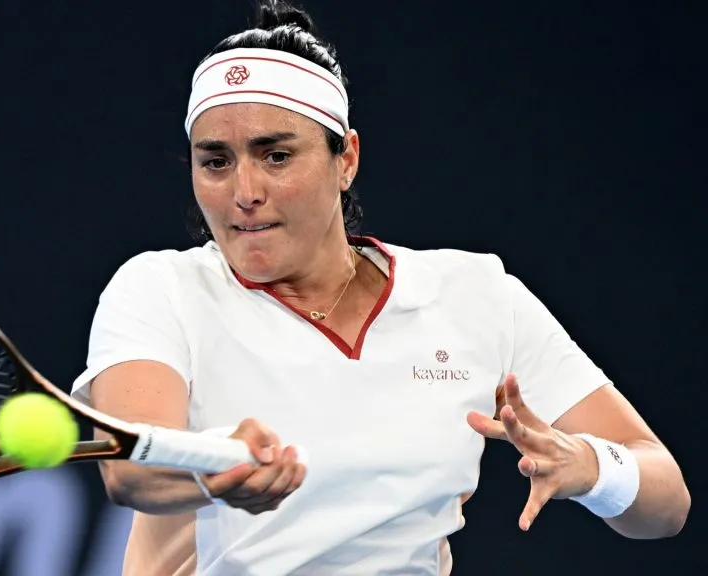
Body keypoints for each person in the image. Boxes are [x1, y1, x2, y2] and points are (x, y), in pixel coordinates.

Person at [70, 1, 691, 573]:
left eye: (276, 155)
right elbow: (131, 466)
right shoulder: (158, 289)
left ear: (346, 159)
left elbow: (666, 500)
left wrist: (593, 468)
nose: (244, 191)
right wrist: (215, 466)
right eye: (216, 161)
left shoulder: (476, 295)